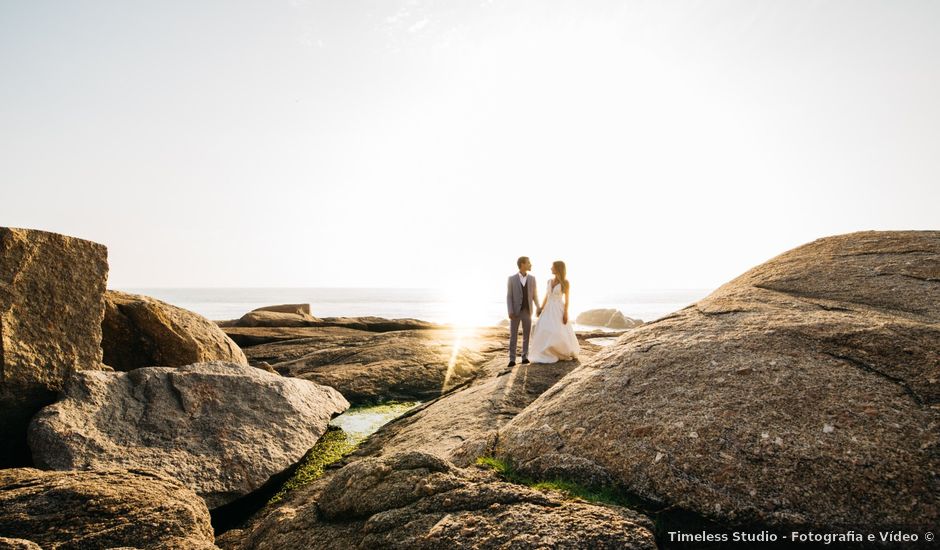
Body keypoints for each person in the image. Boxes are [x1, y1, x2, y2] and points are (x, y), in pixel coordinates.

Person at [528, 260, 580, 363]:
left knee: (557, 331)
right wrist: (540, 308)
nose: (551, 268)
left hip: (558, 309)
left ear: (558, 268)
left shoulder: (565, 282)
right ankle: (546, 351)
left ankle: (560, 351)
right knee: (543, 328)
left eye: (553, 267)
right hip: (548, 309)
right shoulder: (549, 281)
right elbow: (546, 296)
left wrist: (566, 313)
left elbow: (567, 300)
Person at [506, 256, 540, 367]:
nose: (531, 265)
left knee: (527, 335)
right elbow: (509, 296)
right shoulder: (511, 279)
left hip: (527, 311)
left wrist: (538, 307)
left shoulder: (532, 279)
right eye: (529, 263)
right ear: (522, 264)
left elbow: (534, 295)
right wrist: (510, 311)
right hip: (515, 312)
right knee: (513, 336)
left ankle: (524, 357)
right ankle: (512, 359)